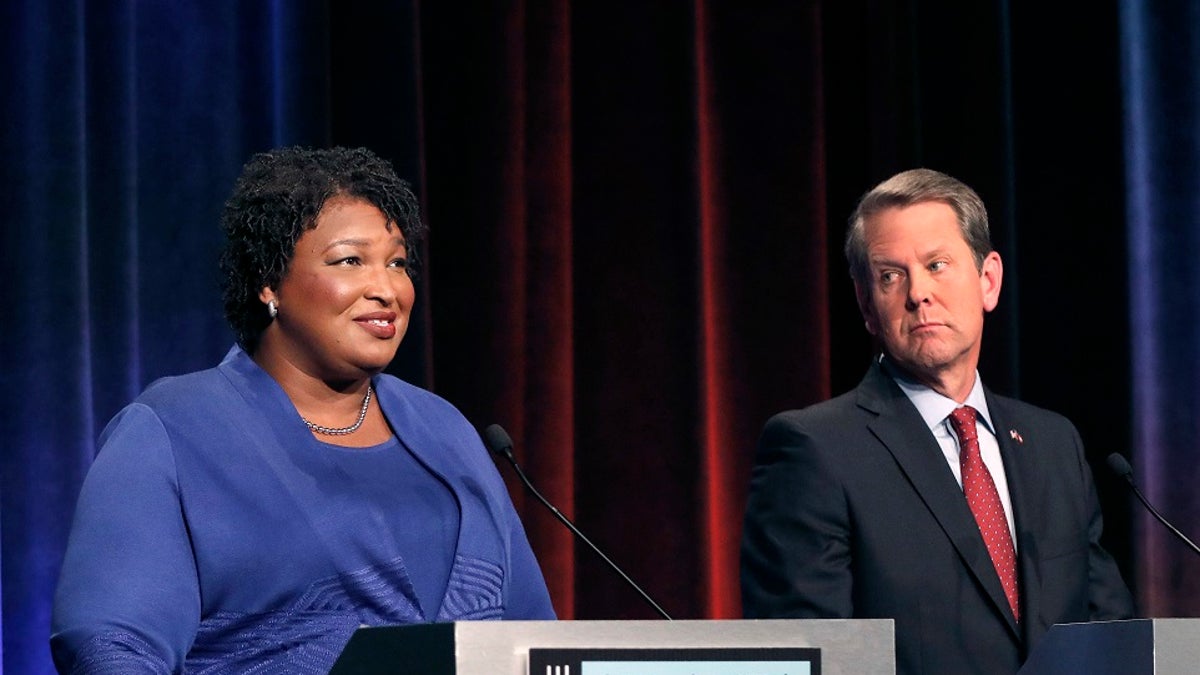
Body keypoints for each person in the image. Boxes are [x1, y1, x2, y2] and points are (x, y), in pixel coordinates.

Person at [51, 146, 555, 673]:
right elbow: (112, 648)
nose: (386, 289)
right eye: (350, 261)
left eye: (398, 263)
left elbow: (533, 641)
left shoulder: (445, 431)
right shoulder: (175, 431)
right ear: (271, 283)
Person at [740, 168, 1134, 674]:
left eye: (937, 264)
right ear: (866, 305)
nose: (917, 292)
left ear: (988, 280)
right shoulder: (814, 450)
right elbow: (811, 660)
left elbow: (1111, 636)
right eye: (890, 275)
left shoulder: (1052, 443)